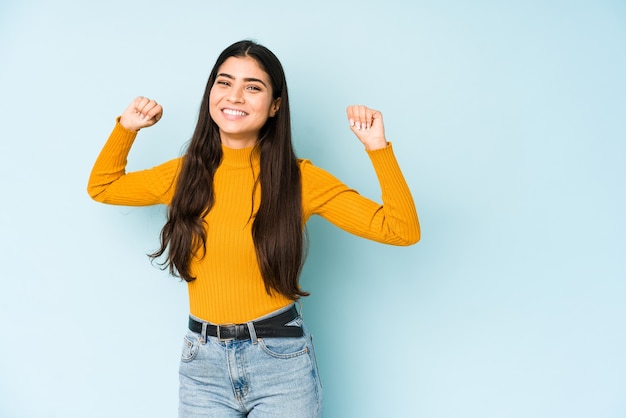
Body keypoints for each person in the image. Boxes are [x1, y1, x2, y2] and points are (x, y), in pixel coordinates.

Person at [87, 39, 420, 418]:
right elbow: (103, 186)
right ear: (211, 92)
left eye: (253, 87)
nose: (236, 96)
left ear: (275, 105)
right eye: (224, 82)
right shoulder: (183, 176)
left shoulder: (300, 180)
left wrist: (378, 148)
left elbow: (401, 229)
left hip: (280, 361)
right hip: (202, 364)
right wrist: (127, 127)